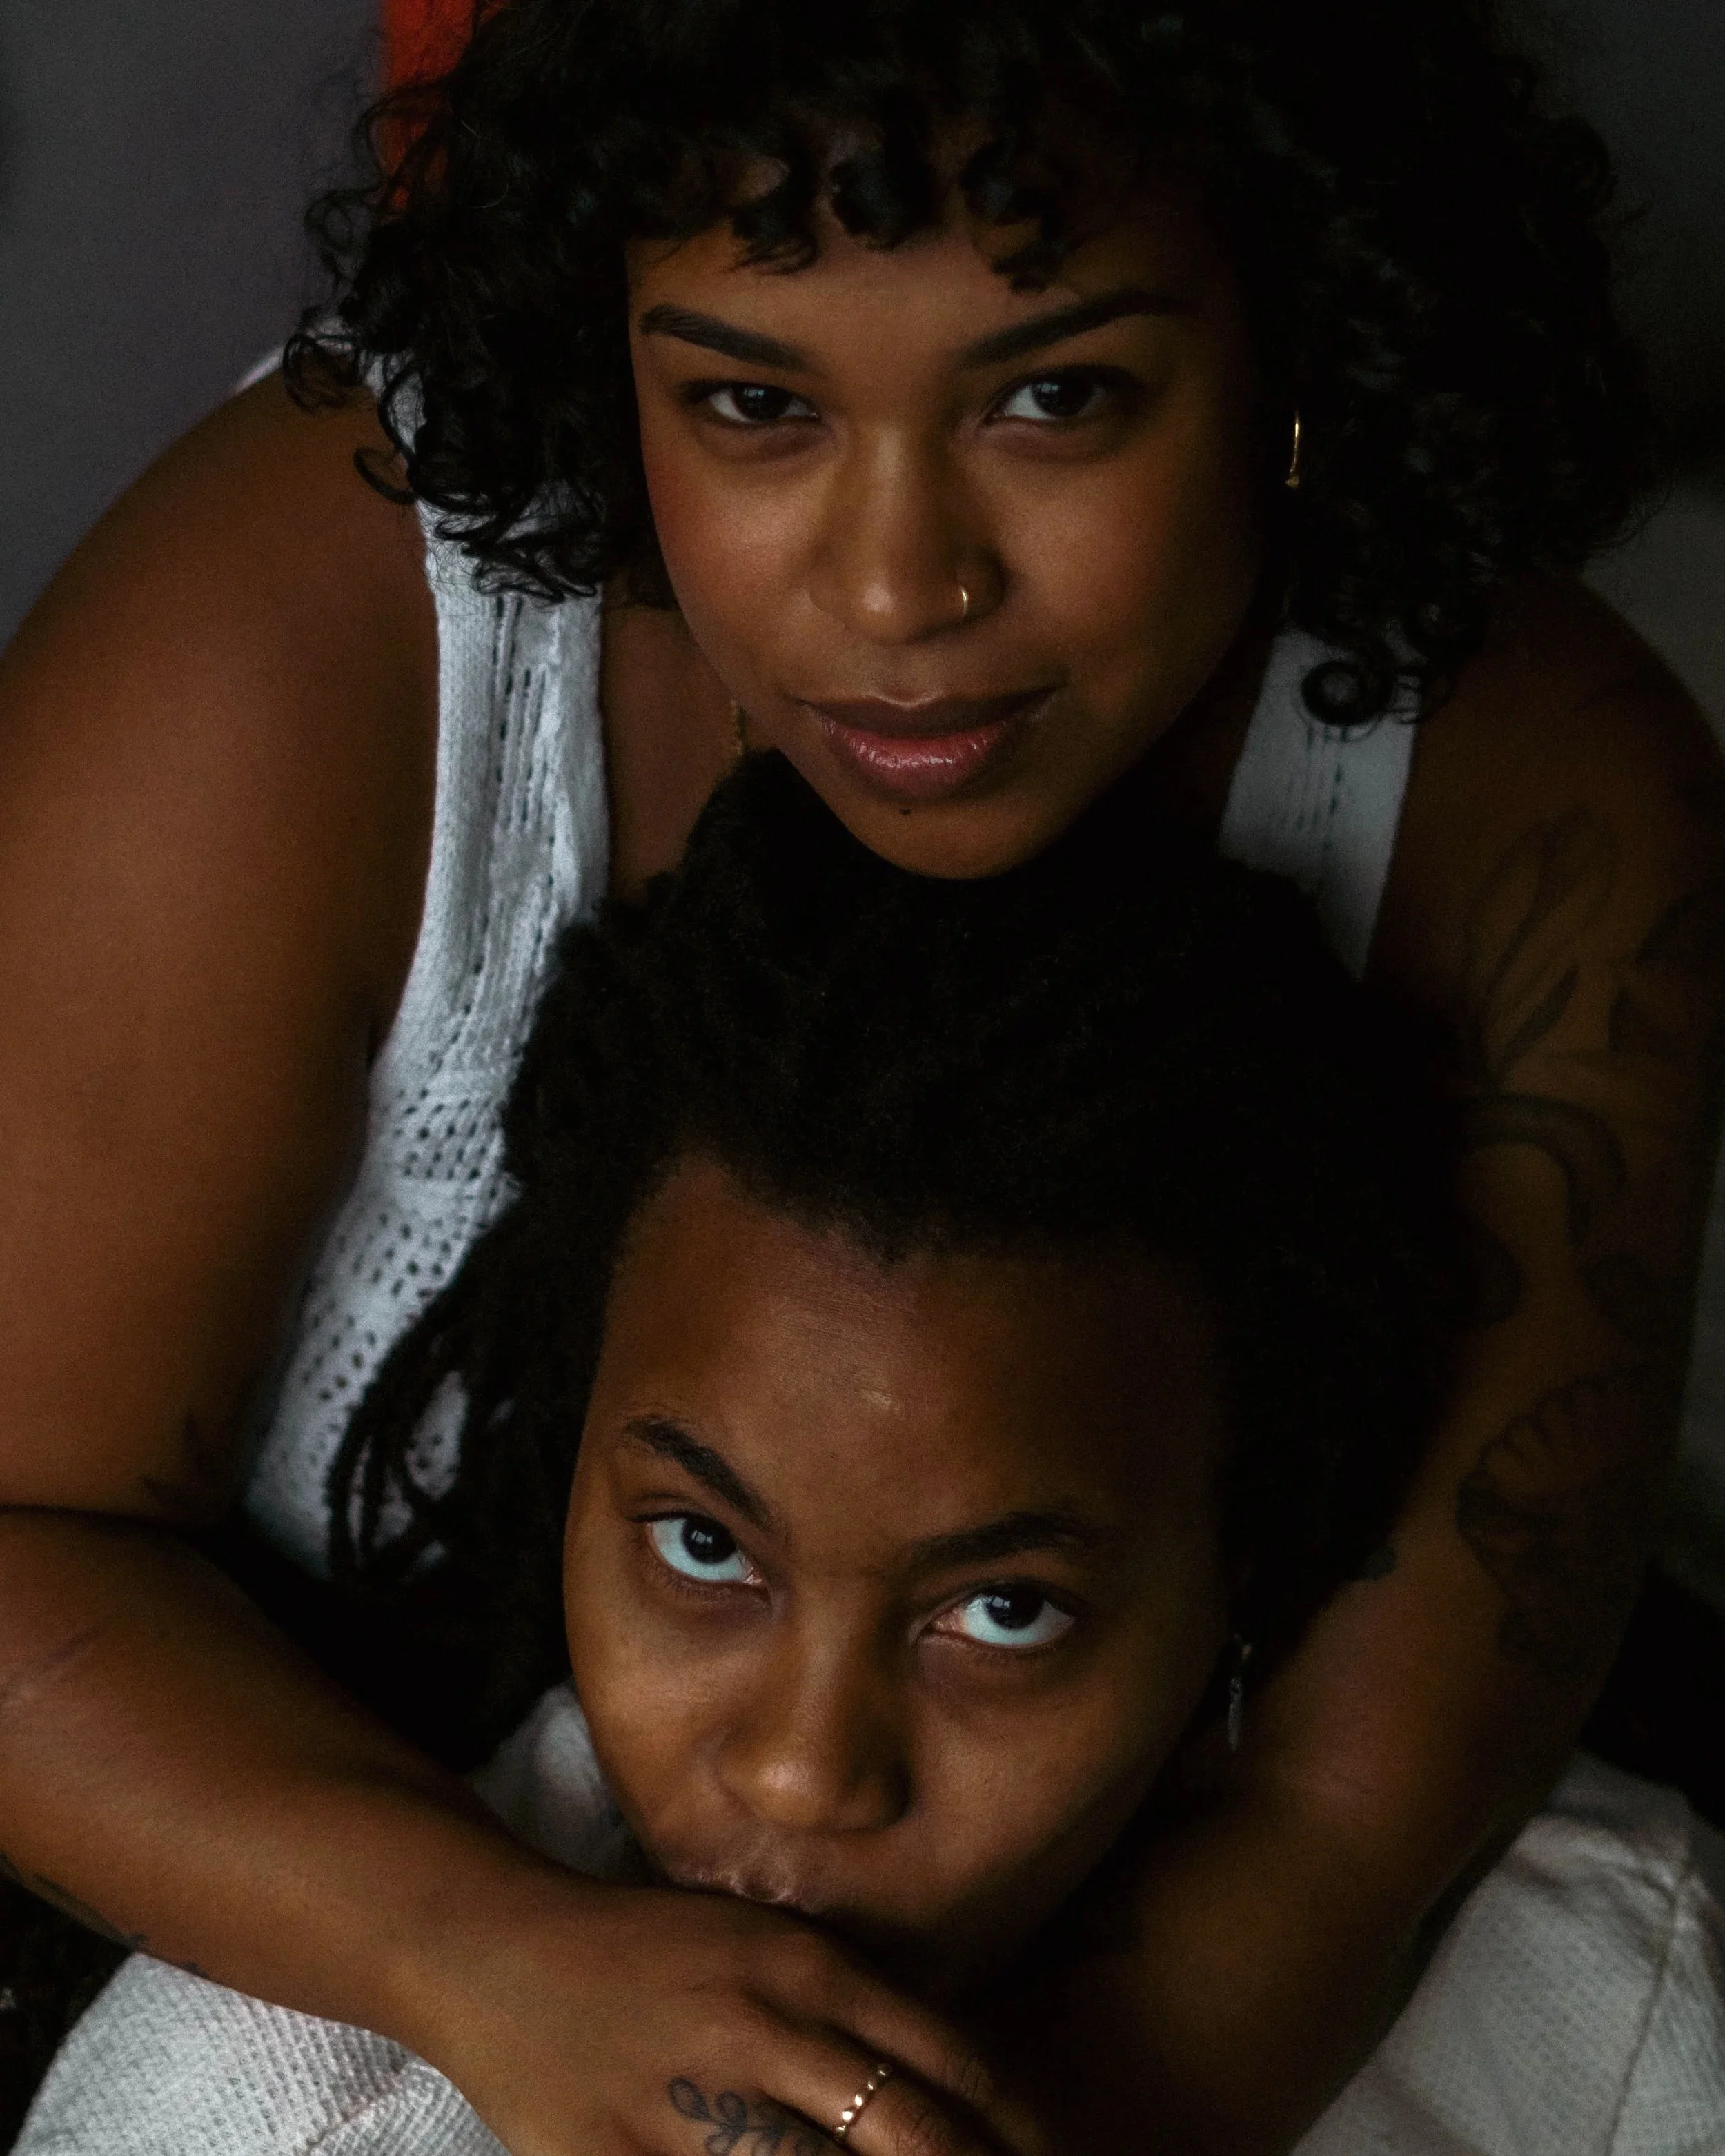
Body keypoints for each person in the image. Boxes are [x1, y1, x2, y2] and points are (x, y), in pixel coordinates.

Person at [1, 3, 1722, 2151]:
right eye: (750, 402)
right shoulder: (300, 635)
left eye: (1058, 396)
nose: (901, 586)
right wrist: (476, 1954)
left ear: (1298, 334)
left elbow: (1336, 1819)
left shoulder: (1531, 803)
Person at [18, 755, 1725, 2156]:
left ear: (1242, 1572)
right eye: (702, 1548)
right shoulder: (269, 2103)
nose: (801, 1772)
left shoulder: (1617, 1999)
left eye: (1002, 1611)